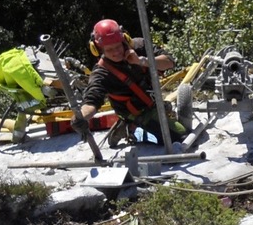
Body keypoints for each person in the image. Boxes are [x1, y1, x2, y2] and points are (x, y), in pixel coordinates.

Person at [73, 19, 188, 148]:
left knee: (178, 133)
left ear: (125, 40)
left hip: (152, 102)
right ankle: (130, 126)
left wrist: (141, 61)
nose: (116, 52)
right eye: (109, 49)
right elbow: (92, 101)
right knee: (180, 136)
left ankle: (137, 126)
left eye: (118, 46)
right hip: (134, 112)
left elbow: (169, 62)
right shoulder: (101, 73)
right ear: (98, 50)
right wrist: (80, 117)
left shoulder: (139, 46)